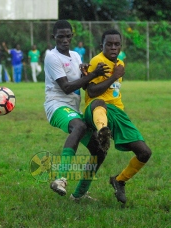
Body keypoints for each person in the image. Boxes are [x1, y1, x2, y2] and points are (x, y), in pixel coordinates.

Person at [78, 29, 152, 205]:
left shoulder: (120, 63)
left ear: (121, 46)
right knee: (99, 103)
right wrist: (114, 77)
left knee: (144, 152)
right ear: (101, 46)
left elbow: (114, 93)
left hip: (118, 112)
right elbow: (92, 91)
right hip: (95, 109)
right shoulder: (98, 61)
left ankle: (119, 180)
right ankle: (102, 130)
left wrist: (116, 74)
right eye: (109, 44)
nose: (113, 47)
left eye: (116, 44)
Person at [44, 20, 108, 200]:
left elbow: (84, 84)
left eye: (68, 36)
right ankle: (60, 179)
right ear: (53, 38)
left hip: (73, 108)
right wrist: (94, 74)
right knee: (79, 126)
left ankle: (79, 194)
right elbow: (66, 87)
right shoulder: (52, 56)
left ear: (72, 36)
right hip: (56, 105)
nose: (65, 40)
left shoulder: (76, 56)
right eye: (60, 37)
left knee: (100, 150)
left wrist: (93, 74)